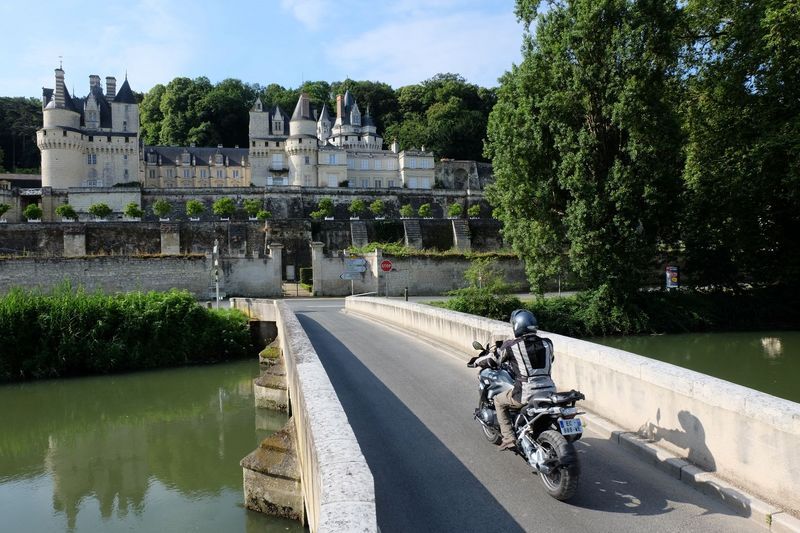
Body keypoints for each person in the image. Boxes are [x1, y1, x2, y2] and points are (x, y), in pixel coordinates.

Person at [494, 309, 556, 450]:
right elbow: (551, 359)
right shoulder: (548, 343)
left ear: (517, 326)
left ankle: (509, 437)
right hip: (549, 391)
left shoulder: (511, 345)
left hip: (526, 393)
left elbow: (497, 359)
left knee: (498, 401)